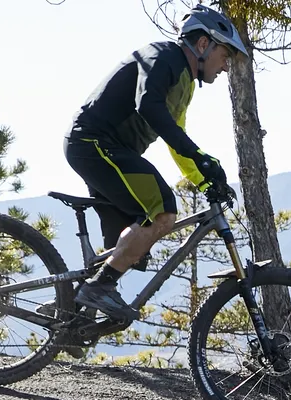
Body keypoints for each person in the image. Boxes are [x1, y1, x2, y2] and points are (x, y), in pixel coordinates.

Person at [64, 6, 248, 321]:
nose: (226, 67)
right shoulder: (163, 58)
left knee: (128, 248)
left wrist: (203, 178)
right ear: (204, 45)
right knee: (163, 210)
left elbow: (175, 136)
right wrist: (200, 156)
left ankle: (71, 318)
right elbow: (148, 106)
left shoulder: (185, 82)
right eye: (225, 55)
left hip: (105, 151)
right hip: (95, 144)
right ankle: (94, 291)